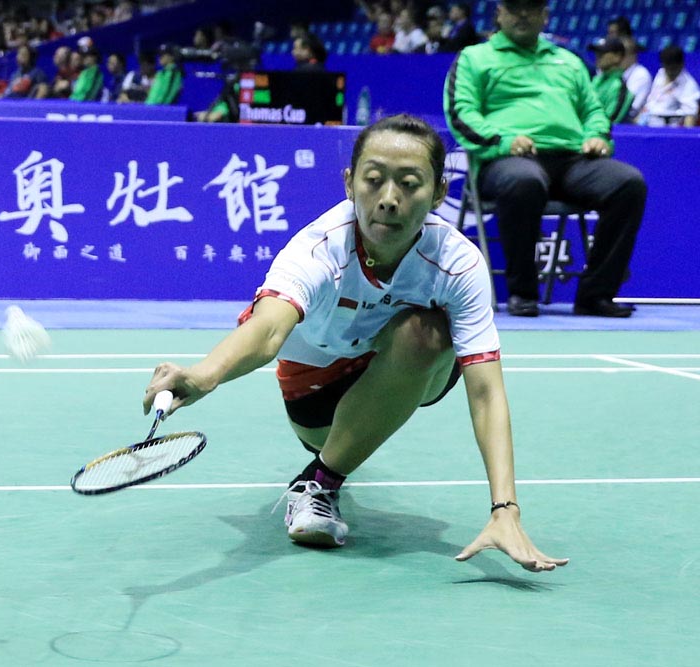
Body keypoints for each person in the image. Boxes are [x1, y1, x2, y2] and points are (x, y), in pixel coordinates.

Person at [143, 114, 568, 572]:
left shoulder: (458, 263)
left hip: (406, 370)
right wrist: (204, 375)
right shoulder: (318, 249)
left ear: (439, 192)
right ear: (349, 183)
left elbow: (486, 392)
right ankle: (322, 468)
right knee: (345, 396)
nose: (389, 199)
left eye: (409, 184)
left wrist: (505, 510)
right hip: (317, 393)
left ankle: (318, 483)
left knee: (426, 334)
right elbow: (268, 330)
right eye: (374, 180)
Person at [444, 0, 647, 318]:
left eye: (532, 8)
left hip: (572, 161)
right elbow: (461, 113)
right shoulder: (474, 58)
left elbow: (594, 110)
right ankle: (523, 293)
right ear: (499, 14)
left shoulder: (569, 61)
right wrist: (503, 141)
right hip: (506, 160)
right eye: (515, 8)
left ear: (545, 17)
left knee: (628, 183)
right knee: (524, 180)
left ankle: (595, 295)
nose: (523, 14)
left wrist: (597, 136)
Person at [639, 45, 699, 128]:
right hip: (646, 122)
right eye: (667, 67)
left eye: (673, 68)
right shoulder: (661, 74)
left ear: (681, 64)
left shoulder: (689, 86)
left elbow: (690, 116)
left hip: (668, 129)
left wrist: (686, 134)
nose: (670, 72)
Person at [590, 37, 633, 125]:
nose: (597, 56)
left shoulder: (619, 87)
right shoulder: (595, 80)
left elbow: (609, 122)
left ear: (617, 56)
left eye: (602, 53)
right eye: (597, 52)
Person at [619, 36, 651, 122]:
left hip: (630, 123)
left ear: (632, 56)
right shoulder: (615, 73)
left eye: (623, 54)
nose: (618, 58)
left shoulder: (641, 74)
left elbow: (631, 108)